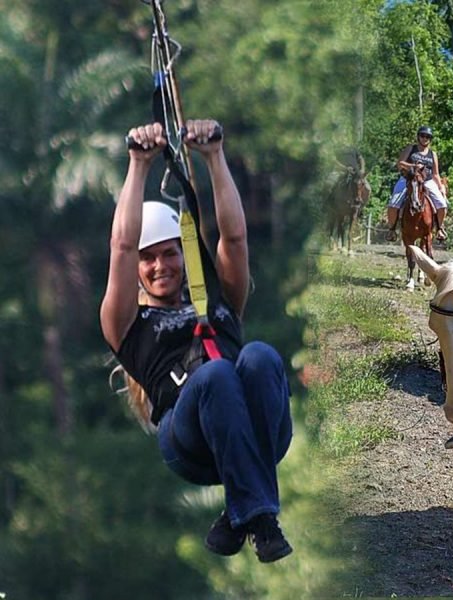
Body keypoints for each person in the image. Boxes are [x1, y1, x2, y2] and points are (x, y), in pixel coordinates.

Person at [100, 120, 293, 563]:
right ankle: (260, 517)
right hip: (189, 440)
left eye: (169, 252)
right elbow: (122, 245)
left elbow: (235, 237)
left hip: (260, 431)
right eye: (148, 258)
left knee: (259, 355)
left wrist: (214, 156)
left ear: (183, 256)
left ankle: (240, 513)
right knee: (218, 373)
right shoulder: (127, 322)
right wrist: (138, 163)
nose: (159, 265)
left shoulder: (221, 296)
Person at [385, 126, 449, 242]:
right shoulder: (411, 148)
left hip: (426, 181)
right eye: (422, 136)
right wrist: (413, 166)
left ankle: (440, 228)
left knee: (442, 204)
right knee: (393, 204)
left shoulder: (432, 154)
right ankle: (392, 229)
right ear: (418, 137)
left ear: (430, 139)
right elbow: (400, 164)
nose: (424, 138)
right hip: (408, 179)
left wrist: (440, 187)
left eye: (427, 137)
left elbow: (435, 173)